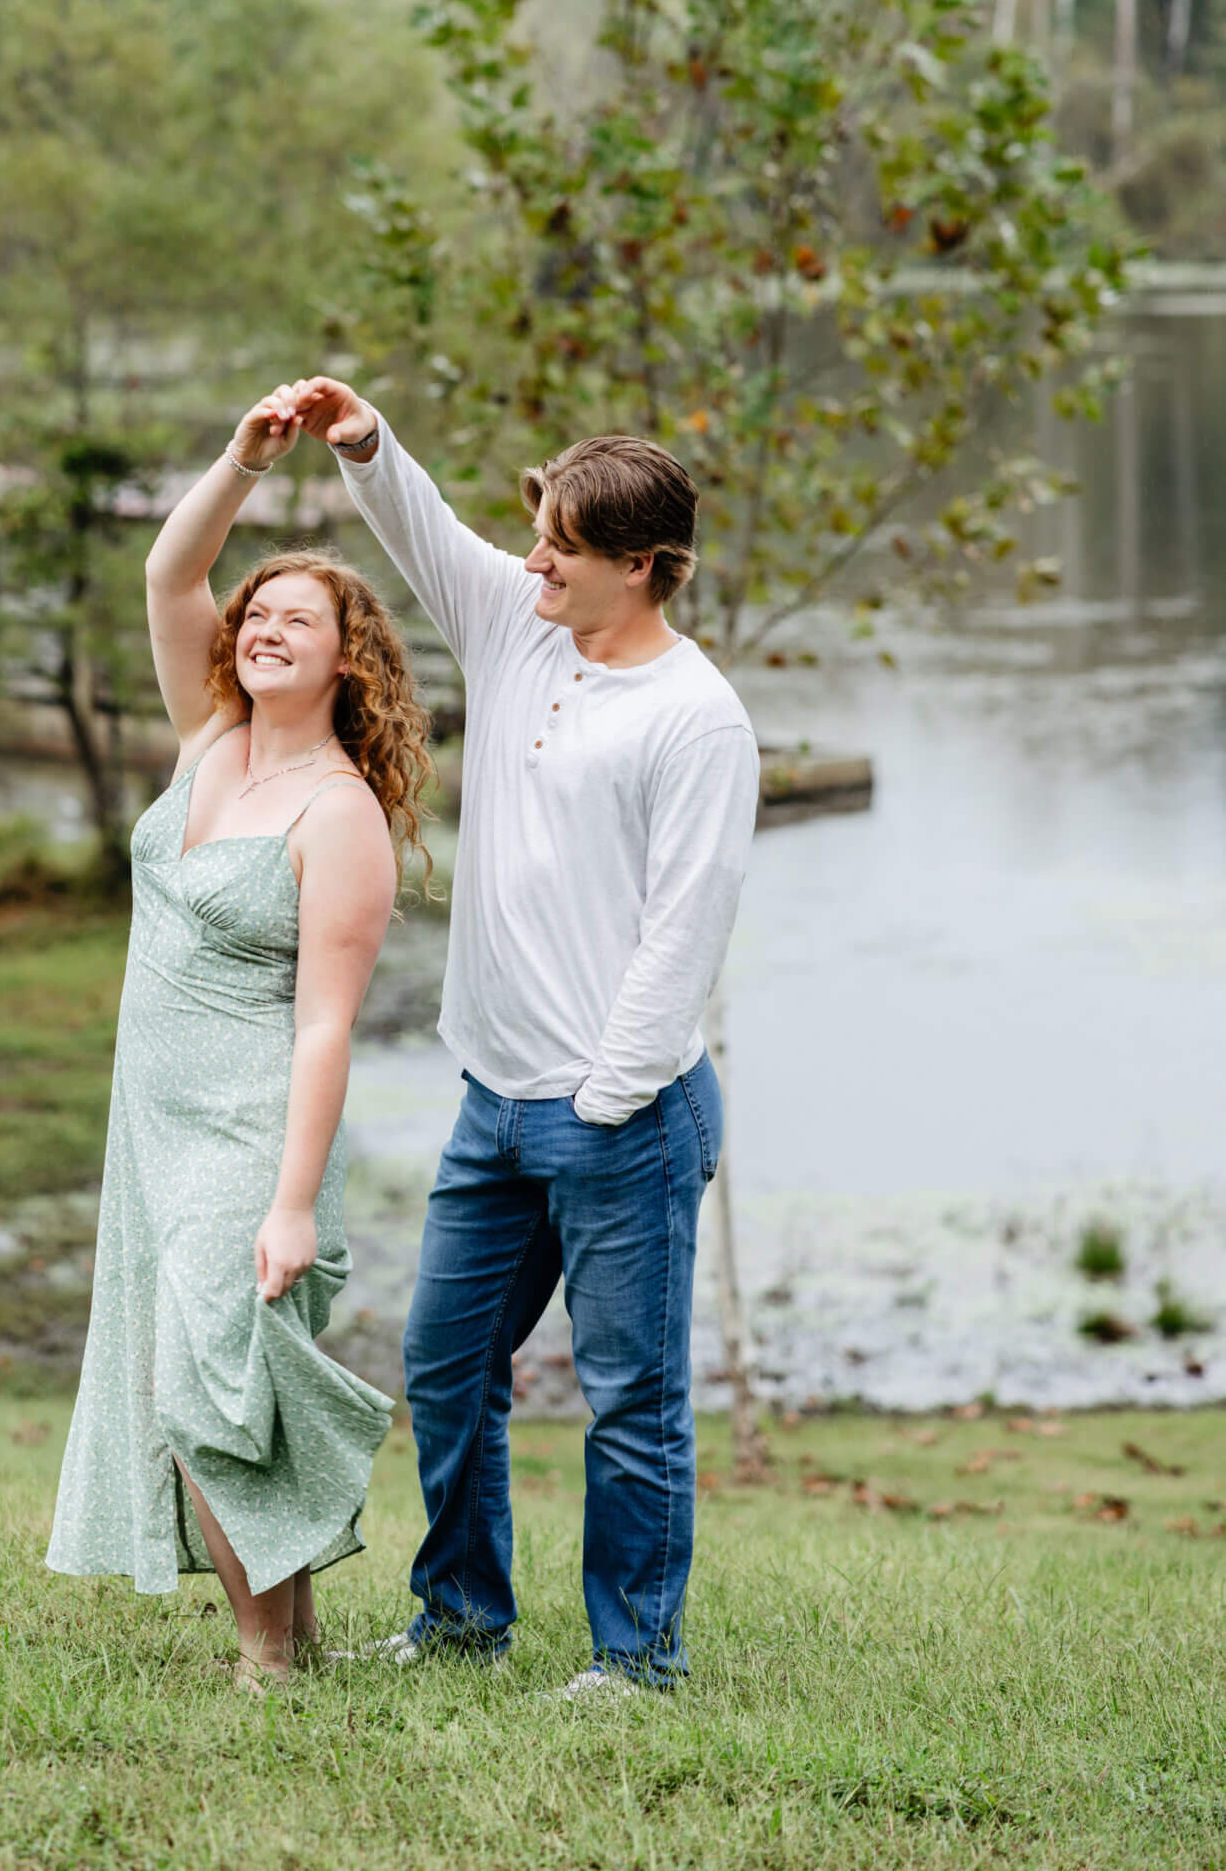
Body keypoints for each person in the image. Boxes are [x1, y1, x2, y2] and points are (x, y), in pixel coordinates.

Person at [284, 374, 760, 1698]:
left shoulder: (698, 720)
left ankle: (635, 1661)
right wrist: (363, 438)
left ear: (646, 568)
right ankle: (461, 1617)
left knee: (629, 1403)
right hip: (494, 1101)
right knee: (445, 1365)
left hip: (624, 1114)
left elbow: (686, 933)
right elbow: (424, 529)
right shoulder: (520, 628)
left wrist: (604, 1102)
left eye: (563, 545)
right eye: (538, 531)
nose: (534, 558)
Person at [46, 392, 432, 1687]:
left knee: (206, 1389)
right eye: (256, 614)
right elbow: (170, 573)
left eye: (296, 621)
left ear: (347, 660)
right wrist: (244, 460)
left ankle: (267, 1663)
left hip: (243, 1125)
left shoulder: (340, 816)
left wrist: (293, 1202)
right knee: (204, 1380)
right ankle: (298, 1646)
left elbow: (326, 1025)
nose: (263, 630)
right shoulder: (209, 740)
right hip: (150, 1125)